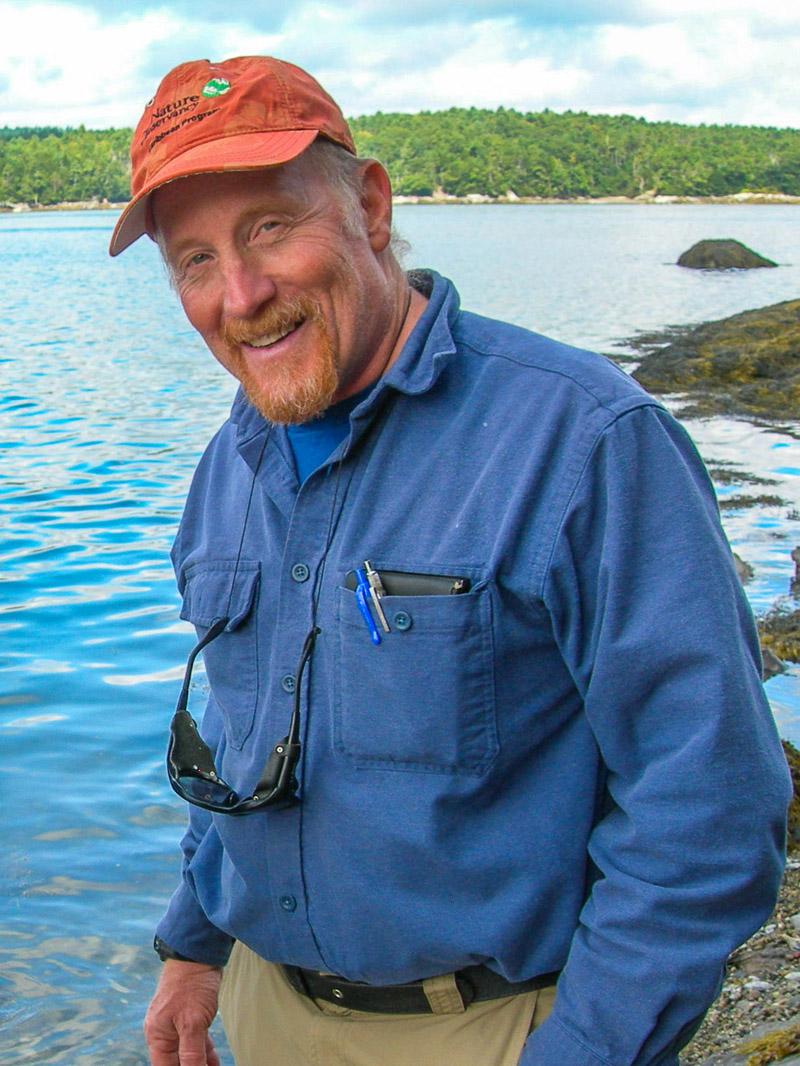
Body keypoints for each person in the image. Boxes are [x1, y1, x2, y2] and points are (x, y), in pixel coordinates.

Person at [109, 55, 791, 1066]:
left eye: (268, 227)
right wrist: (193, 943)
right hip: (263, 1007)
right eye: (195, 260)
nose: (240, 293)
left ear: (370, 208)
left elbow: (709, 805)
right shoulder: (229, 461)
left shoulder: (585, 440)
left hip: (497, 1029)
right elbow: (245, 735)